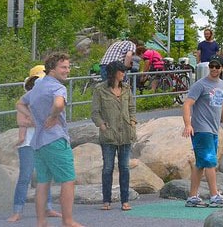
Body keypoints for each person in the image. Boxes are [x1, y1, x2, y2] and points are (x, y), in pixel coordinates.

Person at [17, 52, 83, 227]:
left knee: (43, 182)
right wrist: (54, 115)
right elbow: (59, 104)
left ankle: (41, 222)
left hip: (38, 142)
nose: (67, 70)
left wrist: (32, 117)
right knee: (68, 180)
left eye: (68, 67)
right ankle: (68, 221)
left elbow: (20, 103)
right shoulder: (58, 87)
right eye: (63, 67)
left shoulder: (38, 86)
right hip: (55, 139)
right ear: (52, 68)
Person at [7, 65, 59, 223]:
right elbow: (21, 120)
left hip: (44, 141)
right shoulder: (26, 100)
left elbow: (51, 120)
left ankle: (48, 208)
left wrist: (36, 121)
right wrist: (38, 121)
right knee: (25, 177)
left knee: (46, 175)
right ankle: (17, 210)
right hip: (29, 143)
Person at [181, 58, 223, 207]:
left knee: (201, 164)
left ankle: (192, 197)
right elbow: (187, 104)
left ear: (222, 68)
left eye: (217, 67)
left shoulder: (222, 84)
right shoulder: (201, 84)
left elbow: (222, 107)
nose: (214, 69)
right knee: (210, 162)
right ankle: (214, 196)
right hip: (201, 129)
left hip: (213, 128)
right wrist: (188, 124)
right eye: (212, 66)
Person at [89, 61, 136, 211]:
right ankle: (106, 200)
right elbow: (95, 112)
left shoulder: (127, 88)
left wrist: (133, 122)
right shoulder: (100, 89)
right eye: (121, 71)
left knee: (125, 167)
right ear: (114, 72)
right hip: (108, 134)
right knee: (108, 168)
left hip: (126, 134)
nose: (123, 74)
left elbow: (132, 108)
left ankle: (125, 200)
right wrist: (102, 126)